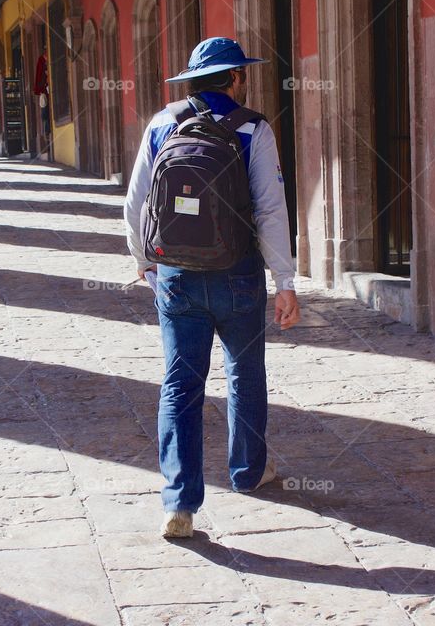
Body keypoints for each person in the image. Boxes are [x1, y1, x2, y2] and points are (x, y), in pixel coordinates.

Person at [124, 37, 301, 539]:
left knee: (180, 382)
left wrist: (147, 263)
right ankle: (248, 472)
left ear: (193, 79)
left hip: (176, 276)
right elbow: (270, 209)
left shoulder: (162, 124)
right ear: (236, 77)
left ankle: (179, 503)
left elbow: (136, 202)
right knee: (244, 371)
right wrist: (284, 282)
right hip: (239, 274)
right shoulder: (253, 128)